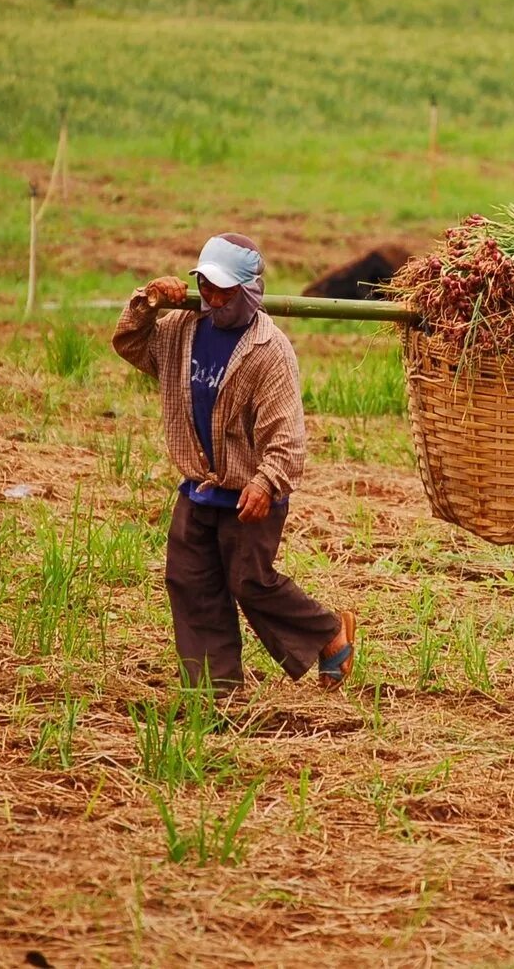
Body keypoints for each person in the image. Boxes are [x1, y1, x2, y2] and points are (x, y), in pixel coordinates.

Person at [112, 233, 355, 693]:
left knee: (250, 582)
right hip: (199, 487)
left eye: (225, 290)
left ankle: (328, 633)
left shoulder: (269, 350)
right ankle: (214, 688)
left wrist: (267, 482)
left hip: (250, 492)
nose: (213, 298)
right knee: (190, 581)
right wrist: (148, 303)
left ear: (251, 292)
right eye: (205, 286)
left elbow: (287, 434)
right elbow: (131, 344)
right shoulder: (182, 330)